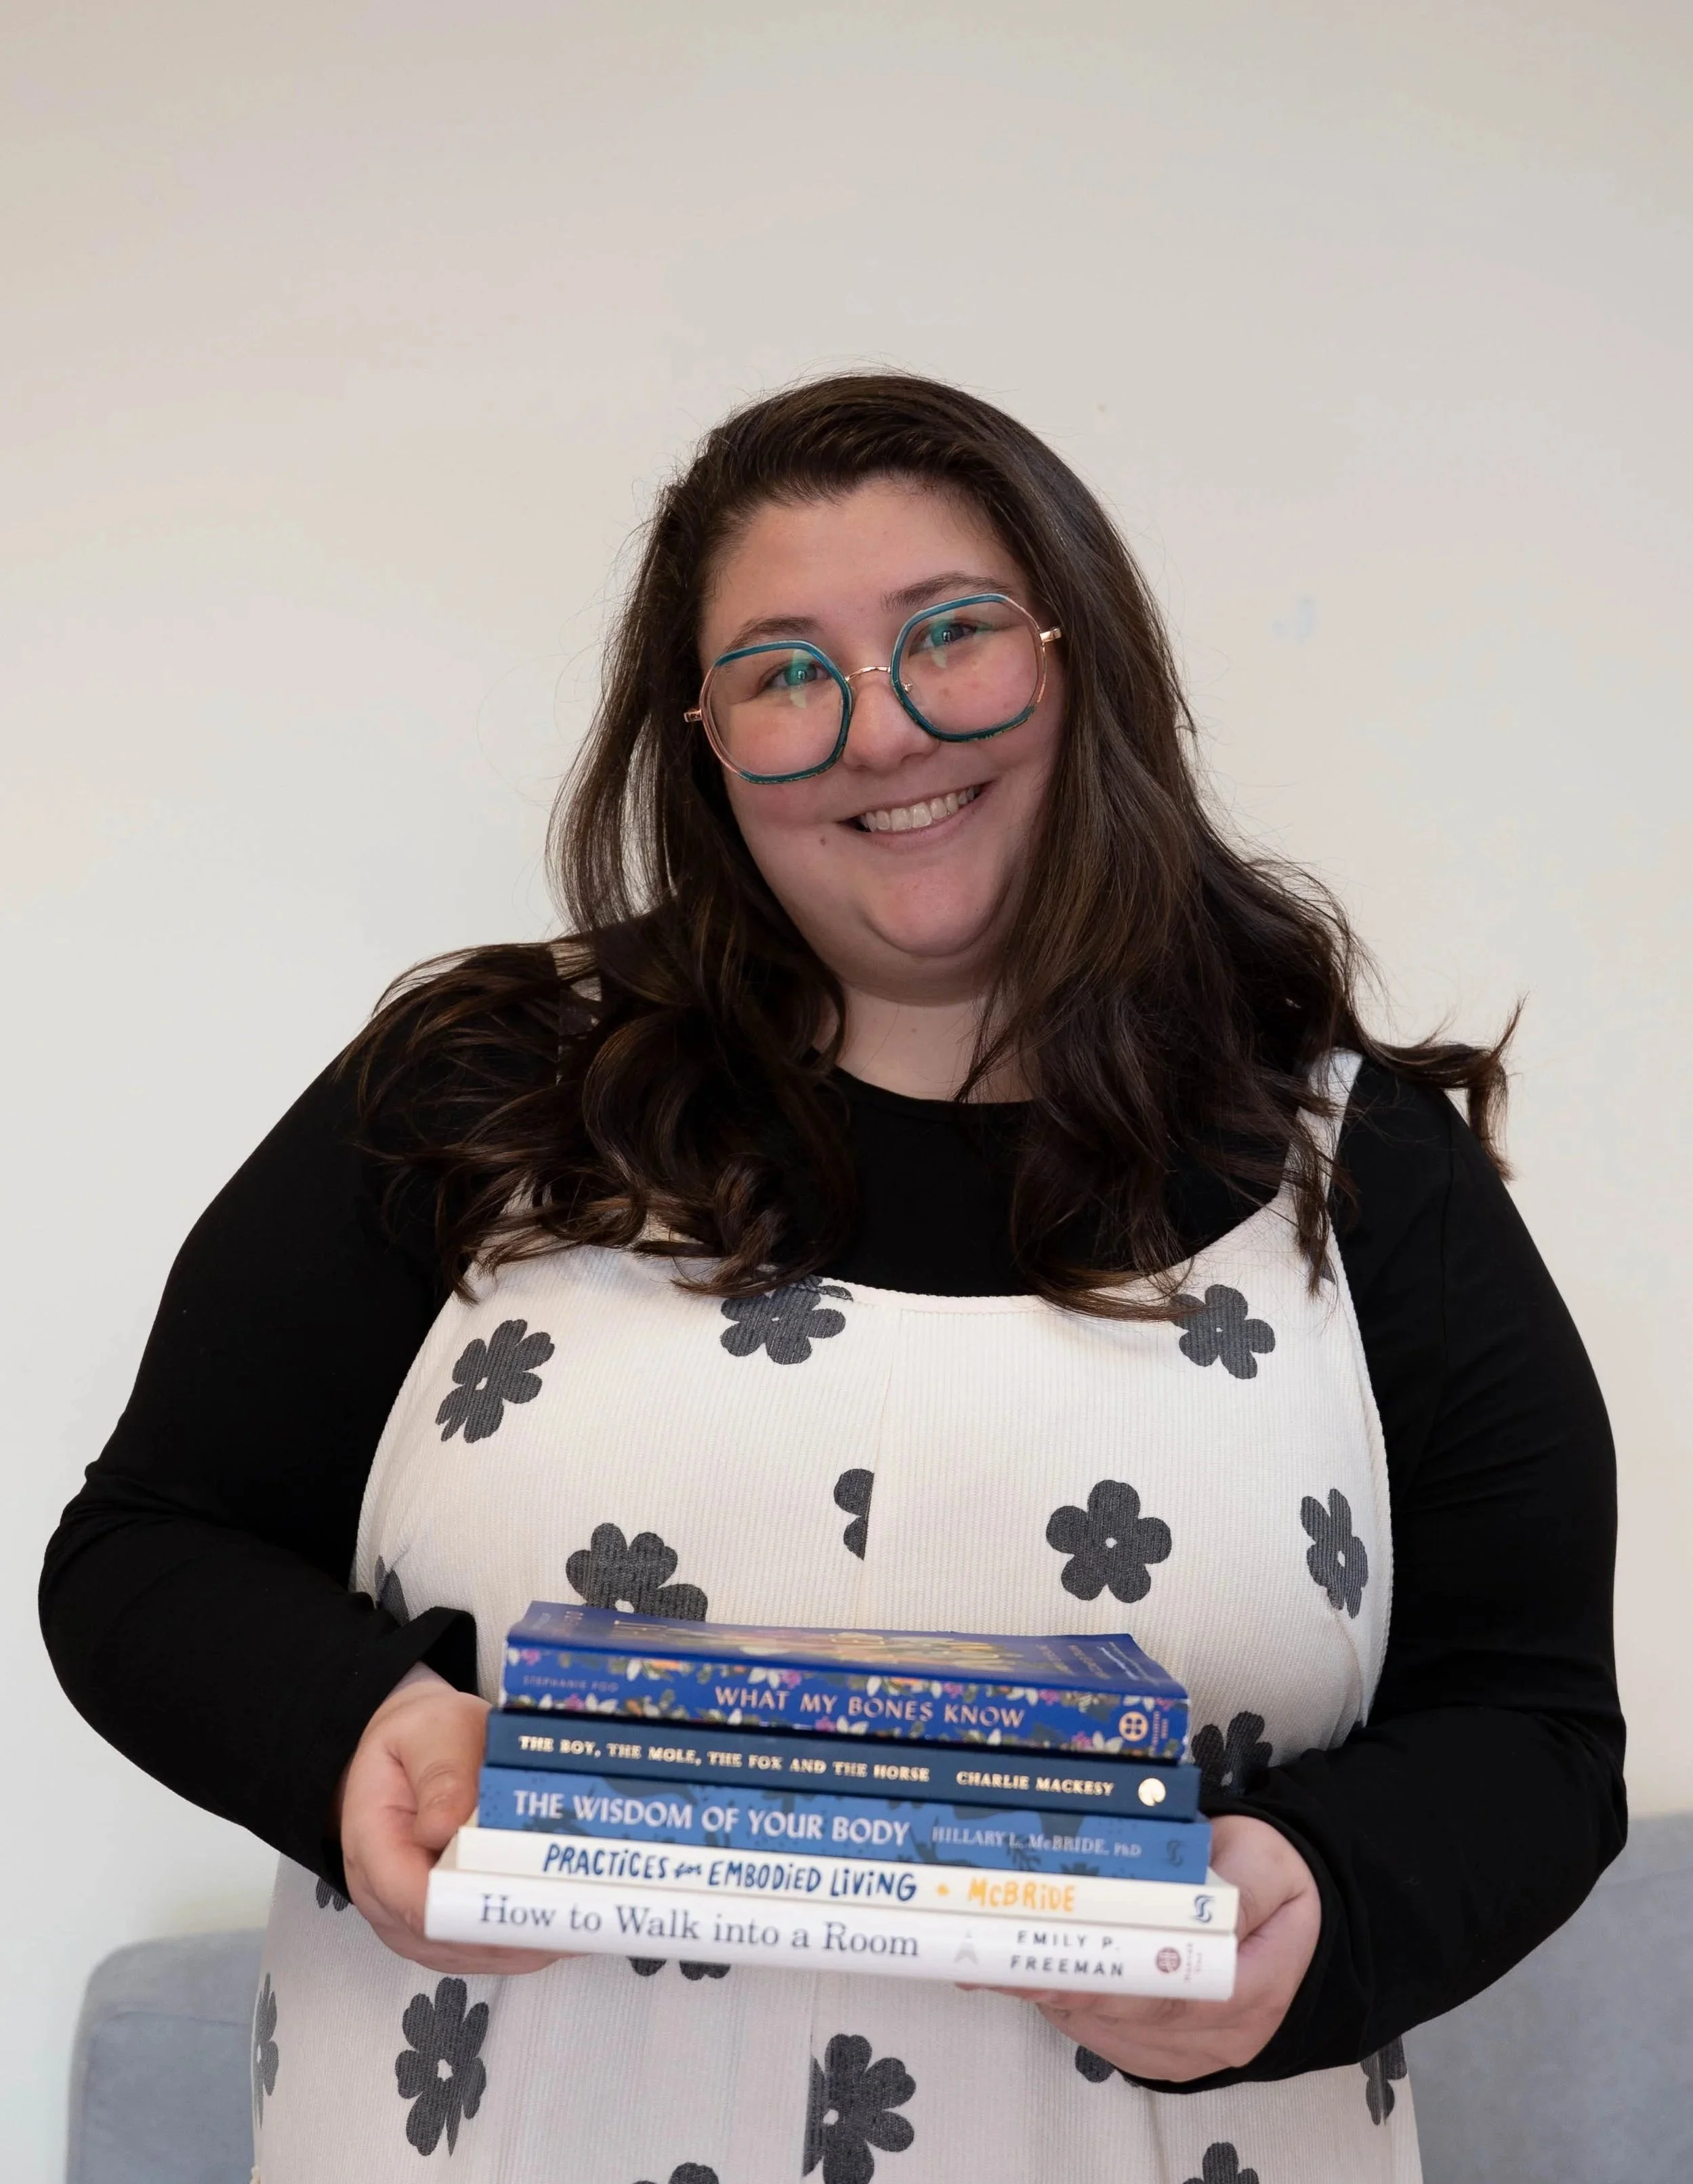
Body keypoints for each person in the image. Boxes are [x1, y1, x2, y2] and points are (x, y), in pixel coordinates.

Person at [41, 373, 1623, 2184]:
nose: (881, 730)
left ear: (1080, 658)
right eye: (786, 672)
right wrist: (362, 1730)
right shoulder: (480, 1088)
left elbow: (1533, 1726)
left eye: (951, 635)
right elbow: (145, 1548)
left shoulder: (1364, 1172)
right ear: (704, 740)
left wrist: (1324, 1899)